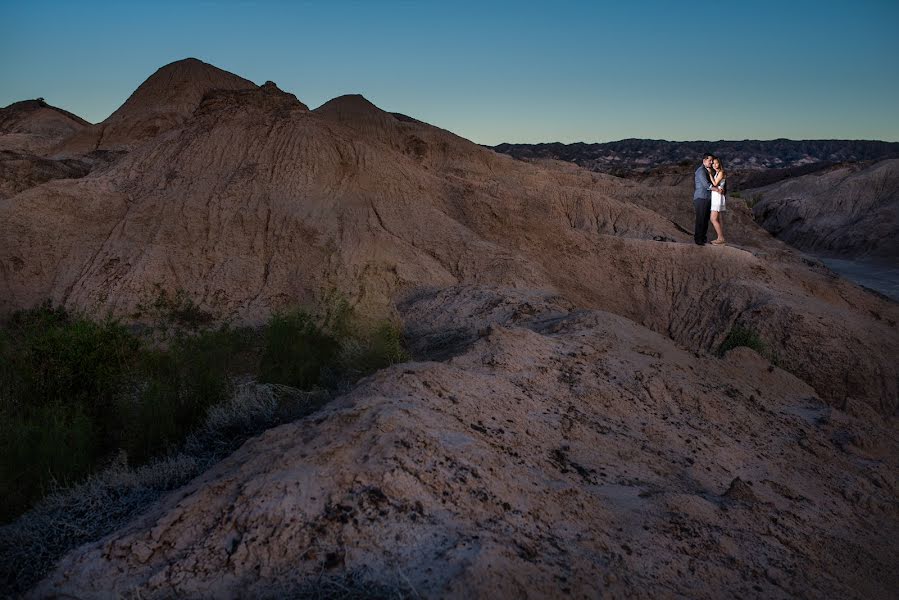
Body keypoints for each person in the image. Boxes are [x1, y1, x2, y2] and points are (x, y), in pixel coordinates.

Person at [693, 153, 723, 245]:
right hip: (701, 198)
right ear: (704, 161)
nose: (711, 162)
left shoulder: (707, 171)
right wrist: (717, 190)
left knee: (705, 219)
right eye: (709, 160)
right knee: (701, 219)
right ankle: (698, 240)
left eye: (712, 161)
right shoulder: (701, 171)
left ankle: (703, 238)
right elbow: (706, 185)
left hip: (707, 198)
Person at [709, 157, 727, 245]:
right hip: (716, 195)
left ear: (719, 163)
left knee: (713, 218)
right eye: (713, 163)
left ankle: (721, 238)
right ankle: (720, 238)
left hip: (718, 197)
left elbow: (715, 184)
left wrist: (709, 175)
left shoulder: (721, 172)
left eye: (716, 163)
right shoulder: (717, 172)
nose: (714, 165)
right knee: (717, 218)